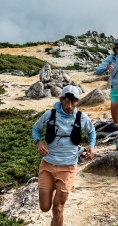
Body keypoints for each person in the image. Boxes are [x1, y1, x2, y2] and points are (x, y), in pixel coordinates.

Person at [32, 85, 96, 226]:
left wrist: (92, 146)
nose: (70, 106)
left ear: (77, 101)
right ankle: (54, 190)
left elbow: (92, 131)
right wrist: (38, 143)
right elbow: (36, 128)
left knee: (58, 207)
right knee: (44, 207)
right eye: (67, 102)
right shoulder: (50, 115)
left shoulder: (81, 117)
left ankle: (57, 200)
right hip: (47, 165)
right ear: (61, 99)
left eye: (73, 103)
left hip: (67, 168)